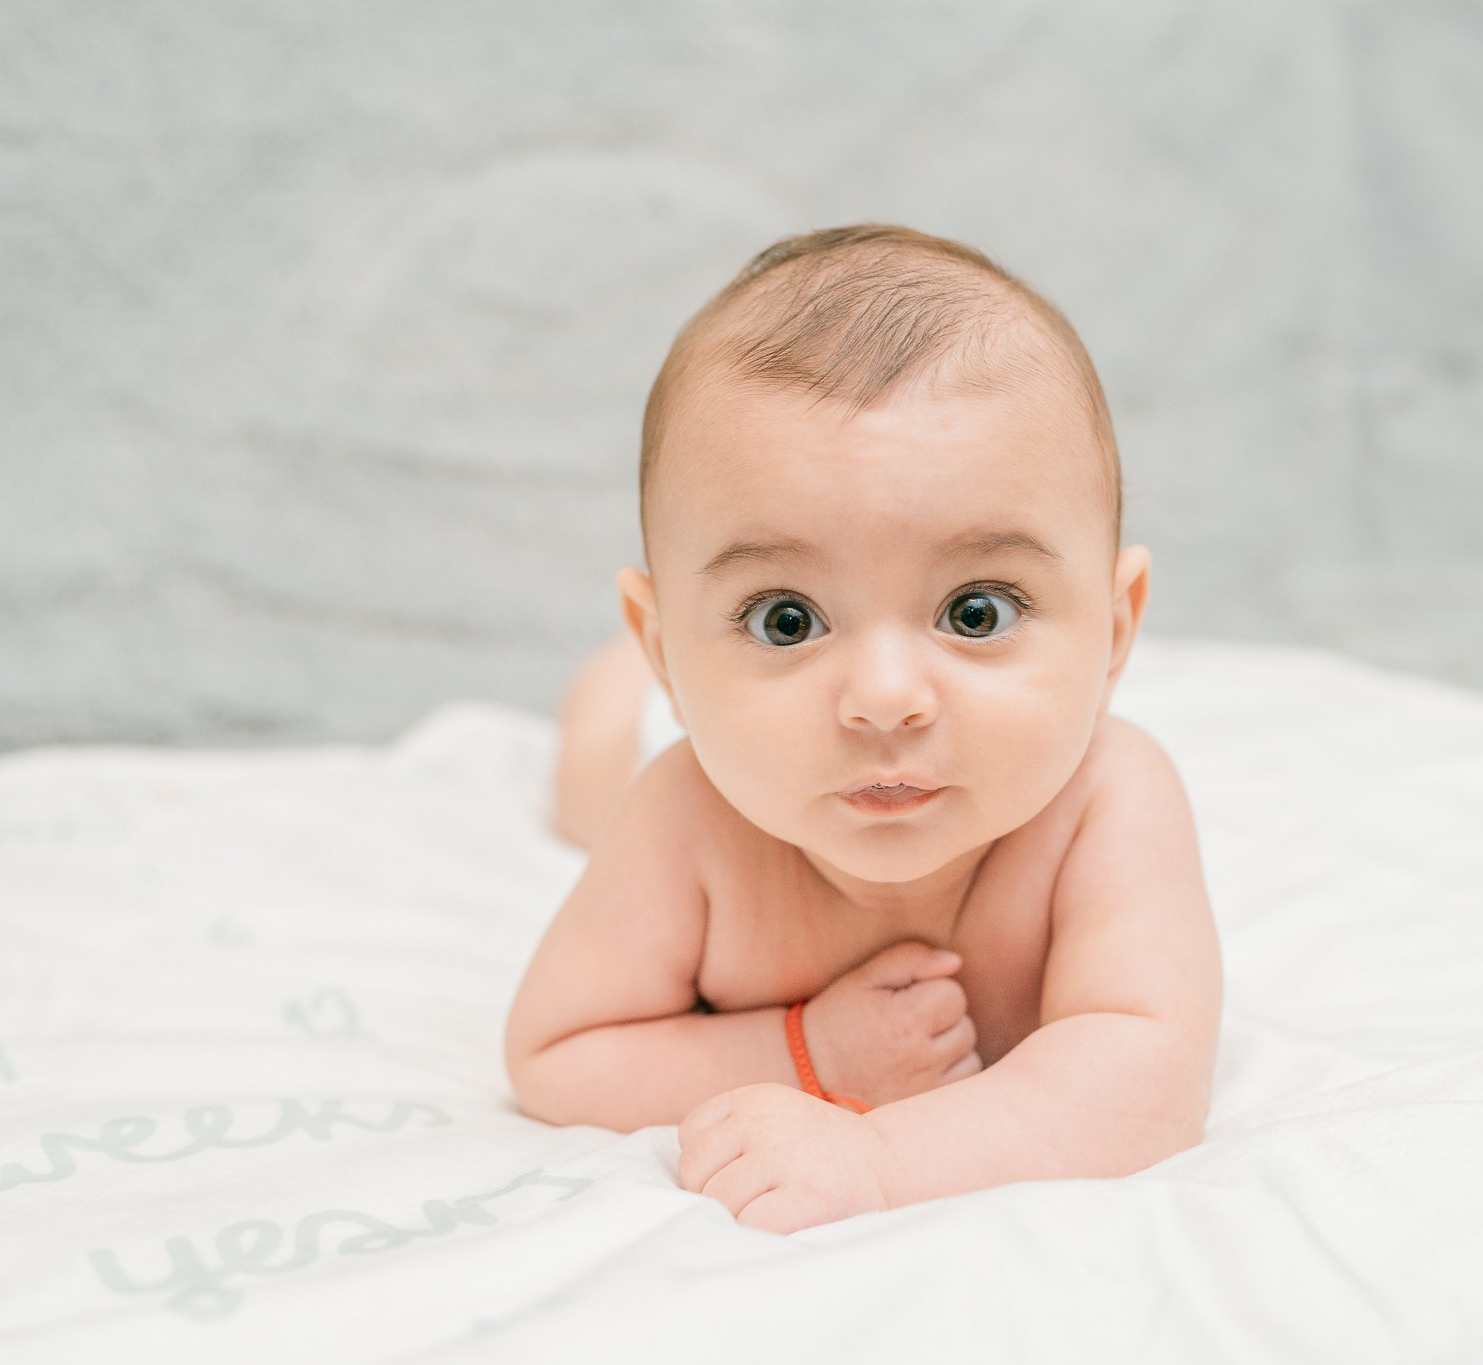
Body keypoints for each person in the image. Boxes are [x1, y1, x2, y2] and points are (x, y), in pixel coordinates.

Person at [504, 224, 1222, 1234]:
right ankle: (607, 700)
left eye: (975, 611)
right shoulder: (685, 816)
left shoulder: (1108, 800)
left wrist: (882, 1158)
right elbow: (557, 1057)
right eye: (784, 620)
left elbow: (1143, 1083)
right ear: (668, 646)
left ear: (1112, 630)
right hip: (663, 774)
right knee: (597, 787)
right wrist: (808, 1055)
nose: (883, 698)